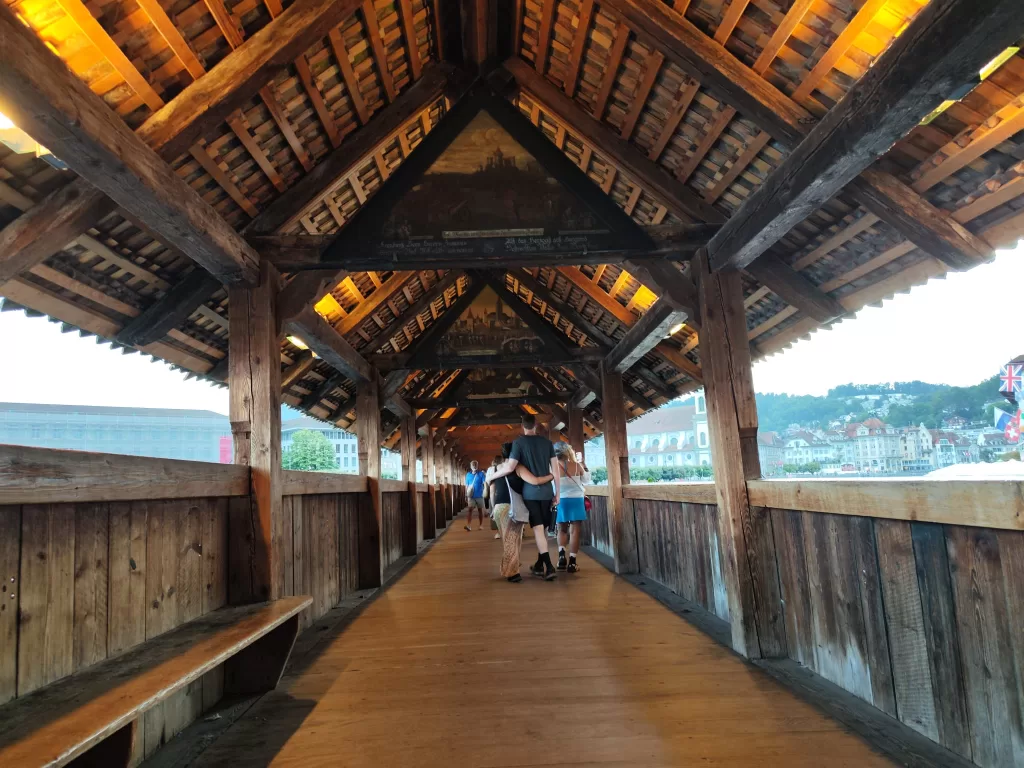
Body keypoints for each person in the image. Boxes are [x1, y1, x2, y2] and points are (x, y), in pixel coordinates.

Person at [501, 414, 560, 580]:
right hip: (547, 492)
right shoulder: (547, 444)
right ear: (536, 425)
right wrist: (558, 494)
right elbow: (556, 471)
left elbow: (510, 467)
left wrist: (492, 476)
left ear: (522, 426)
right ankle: (540, 565)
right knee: (544, 530)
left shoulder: (518, 443)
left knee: (538, 529)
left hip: (530, 493)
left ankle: (549, 566)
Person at [490, 442, 553, 582]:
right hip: (512, 507)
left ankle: (511, 568)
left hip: (499, 508)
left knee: (510, 540)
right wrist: (551, 476)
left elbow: (492, 490)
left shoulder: (495, 468)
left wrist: (492, 508)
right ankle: (512, 573)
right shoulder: (518, 468)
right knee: (513, 540)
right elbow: (535, 481)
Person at [553, 441, 591, 573]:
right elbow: (586, 480)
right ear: (568, 452)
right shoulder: (576, 465)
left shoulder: (552, 467)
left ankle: (561, 556)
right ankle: (572, 563)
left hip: (561, 500)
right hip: (577, 500)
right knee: (575, 531)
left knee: (561, 529)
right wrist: (584, 465)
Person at [463, 460, 487, 531]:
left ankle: (481, 525)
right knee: (470, 510)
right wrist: (465, 495)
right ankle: (469, 526)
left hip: (480, 495)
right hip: (471, 496)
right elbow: (466, 486)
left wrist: (485, 490)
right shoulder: (468, 475)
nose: (474, 466)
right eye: (473, 464)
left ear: (477, 465)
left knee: (480, 510)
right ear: (470, 466)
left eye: (475, 464)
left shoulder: (481, 474)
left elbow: (484, 483)